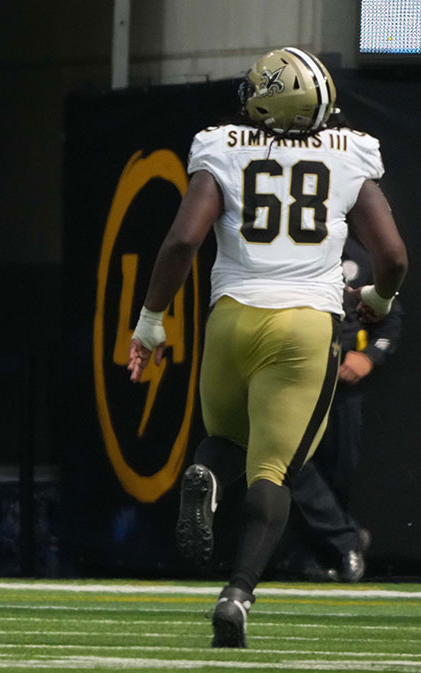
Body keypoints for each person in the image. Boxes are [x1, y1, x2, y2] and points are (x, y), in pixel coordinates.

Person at [127, 47, 407, 648]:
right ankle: (238, 591)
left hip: (232, 317)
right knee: (275, 470)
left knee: (223, 440)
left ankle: (203, 471)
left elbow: (181, 242)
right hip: (305, 324)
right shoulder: (350, 152)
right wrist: (380, 303)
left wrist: (150, 321)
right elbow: (392, 257)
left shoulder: (222, 145)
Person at [281, 235, 401, 582]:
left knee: (339, 470)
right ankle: (346, 540)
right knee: (289, 458)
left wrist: (370, 355)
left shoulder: (361, 260)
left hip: (342, 384)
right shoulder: (286, 255)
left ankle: (317, 556)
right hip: (295, 375)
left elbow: (391, 316)